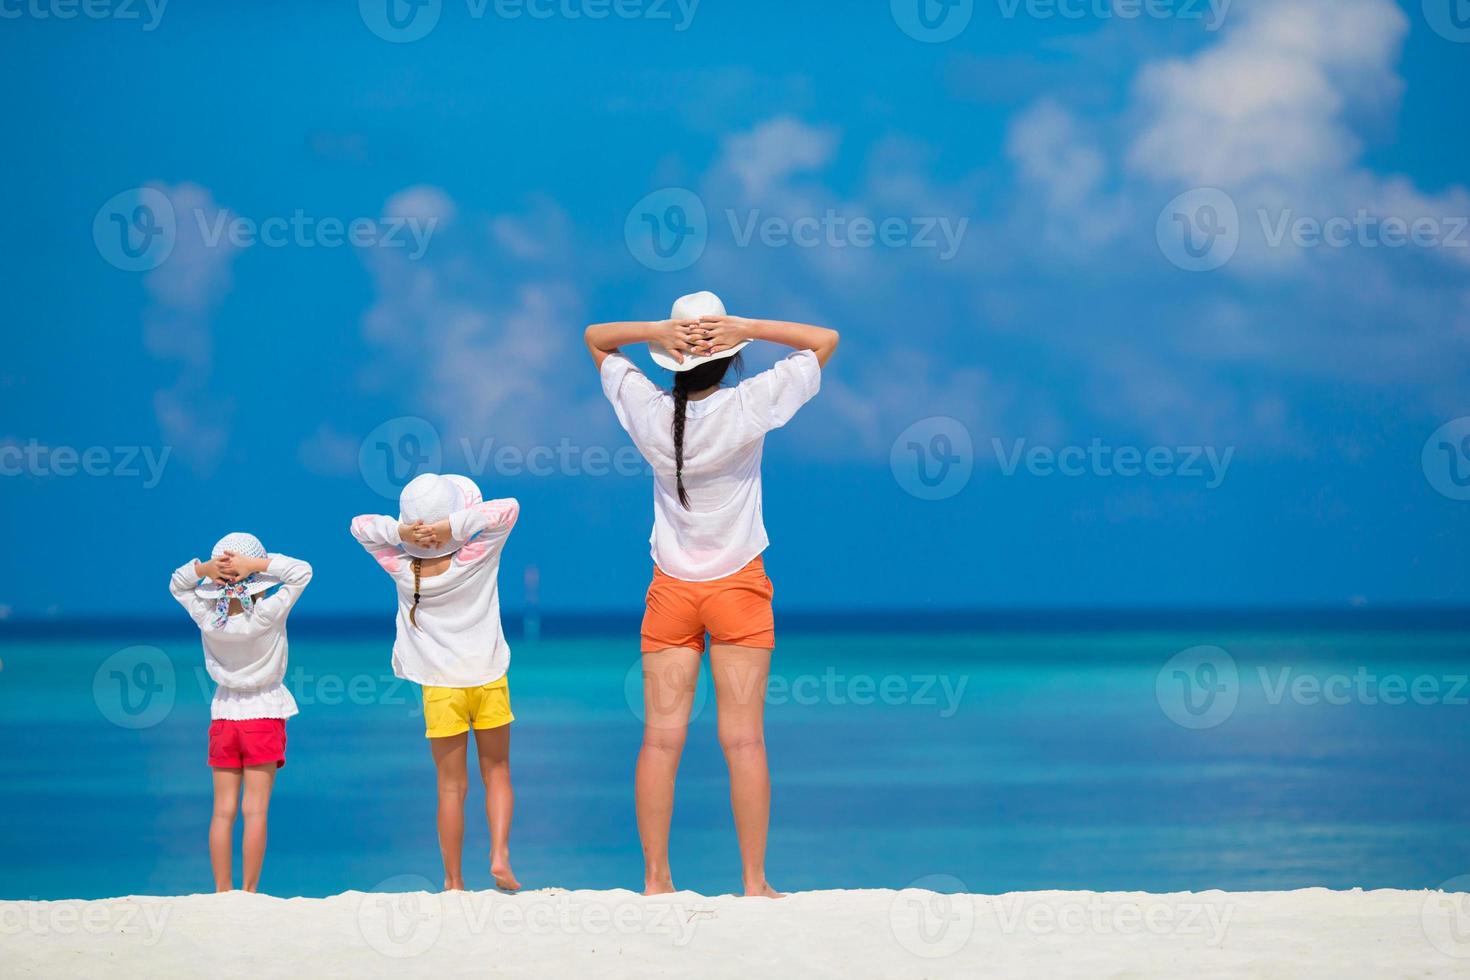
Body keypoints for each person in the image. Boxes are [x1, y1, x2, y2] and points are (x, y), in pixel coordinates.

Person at [585, 290, 839, 897]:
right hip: (739, 590)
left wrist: (655, 327)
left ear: (667, 357)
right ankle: (754, 883)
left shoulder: (647, 411)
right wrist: (745, 324)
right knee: (744, 739)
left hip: (671, 590)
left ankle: (655, 881)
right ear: (729, 356)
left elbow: (596, 337)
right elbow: (824, 340)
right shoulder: (750, 405)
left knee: (660, 739)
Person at [350, 473, 522, 892]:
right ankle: (499, 855)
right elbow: (508, 508)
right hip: (488, 678)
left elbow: (360, 525)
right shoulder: (480, 553)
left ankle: (453, 880)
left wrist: (403, 532)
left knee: (450, 787)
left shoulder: (402, 567)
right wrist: (450, 527)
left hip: (441, 689)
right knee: (497, 772)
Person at [168, 533, 313, 893]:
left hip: (223, 716)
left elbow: (177, 585)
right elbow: (302, 572)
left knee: (222, 811)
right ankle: (249, 891)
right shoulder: (265, 612)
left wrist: (205, 568)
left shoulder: (208, 618)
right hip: (263, 714)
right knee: (255, 811)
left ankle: (221, 889)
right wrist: (256, 565)